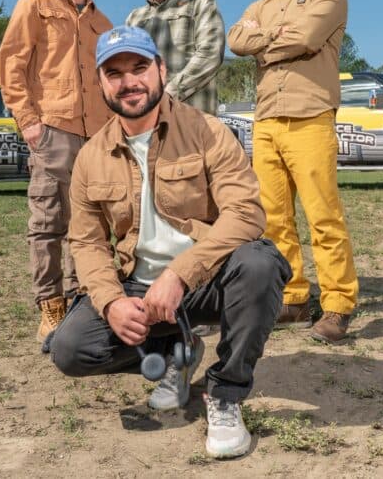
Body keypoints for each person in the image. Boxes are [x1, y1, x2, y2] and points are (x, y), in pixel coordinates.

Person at [51, 26, 290, 459]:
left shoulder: (208, 131)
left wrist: (180, 274)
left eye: (139, 67)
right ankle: (176, 353)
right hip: (138, 289)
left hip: (205, 281)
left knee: (260, 264)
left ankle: (226, 395)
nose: (129, 82)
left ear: (161, 70)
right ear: (101, 83)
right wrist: (111, 302)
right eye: (115, 73)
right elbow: (86, 243)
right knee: (70, 349)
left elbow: (246, 213)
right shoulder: (90, 157)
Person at [226, 0, 359, 344]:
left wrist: (264, 40)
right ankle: (295, 297)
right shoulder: (261, 3)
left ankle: (338, 305)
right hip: (266, 120)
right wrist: (276, 36)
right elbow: (234, 40)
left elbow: (306, 37)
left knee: (323, 216)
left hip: (311, 116)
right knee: (273, 219)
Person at [0, 0, 114, 342]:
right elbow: (11, 63)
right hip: (53, 128)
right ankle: (51, 306)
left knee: (91, 223)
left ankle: (85, 301)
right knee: (48, 220)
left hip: (96, 136)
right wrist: (28, 121)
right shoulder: (35, 5)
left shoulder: (103, 22)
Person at [125, 0, 225, 114]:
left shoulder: (200, 1)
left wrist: (167, 95)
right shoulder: (134, 18)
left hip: (193, 121)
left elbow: (210, 54)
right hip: (147, 124)